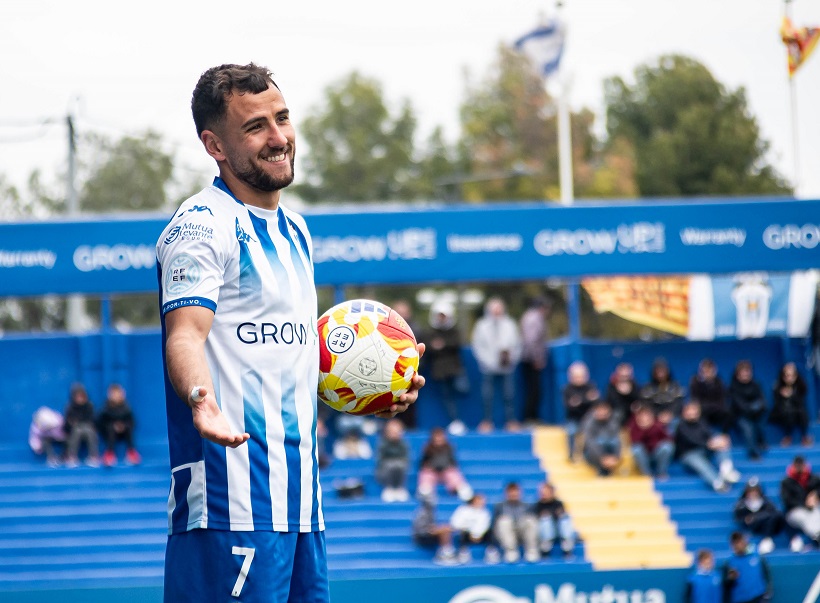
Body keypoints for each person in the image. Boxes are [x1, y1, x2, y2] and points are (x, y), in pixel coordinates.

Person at [156, 63, 424, 603]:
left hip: (303, 507)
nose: (279, 138)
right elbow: (185, 334)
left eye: (282, 119)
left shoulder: (296, 229)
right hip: (230, 506)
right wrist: (200, 400)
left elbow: (289, 357)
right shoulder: (201, 225)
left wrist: (378, 384)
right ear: (215, 145)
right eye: (256, 127)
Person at [470, 297, 522, 432]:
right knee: (487, 396)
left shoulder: (510, 325)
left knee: (509, 395)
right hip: (488, 368)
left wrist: (511, 360)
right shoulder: (481, 326)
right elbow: (477, 346)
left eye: (499, 310)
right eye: (494, 311)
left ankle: (510, 421)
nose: (497, 313)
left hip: (507, 368)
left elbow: (517, 344)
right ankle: (487, 422)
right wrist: (489, 362)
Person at [674, 401, 740, 493]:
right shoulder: (680, 425)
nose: (692, 413)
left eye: (694, 410)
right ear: (684, 412)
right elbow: (691, 440)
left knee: (722, 442)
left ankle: (726, 469)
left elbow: (709, 435)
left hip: (705, 450)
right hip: (688, 454)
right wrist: (709, 444)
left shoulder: (702, 422)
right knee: (701, 464)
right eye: (689, 410)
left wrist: (717, 441)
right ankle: (717, 483)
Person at [424, 299, 468, 436]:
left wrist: (442, 345)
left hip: (454, 370)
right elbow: (429, 347)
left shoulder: (453, 331)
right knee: (446, 397)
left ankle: (459, 420)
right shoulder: (431, 333)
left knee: (461, 391)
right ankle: (455, 421)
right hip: (439, 372)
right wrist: (439, 346)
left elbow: (456, 344)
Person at [417, 427, 473, 501]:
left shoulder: (449, 448)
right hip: (432, 471)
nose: (438, 439)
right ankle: (425, 490)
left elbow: (453, 463)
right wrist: (428, 467)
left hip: (446, 471)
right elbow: (422, 463)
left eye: (440, 437)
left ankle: (460, 488)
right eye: (436, 437)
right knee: (426, 474)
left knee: (452, 473)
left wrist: (448, 467)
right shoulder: (427, 448)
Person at [727, 360, 768, 460]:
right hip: (740, 416)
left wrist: (755, 408)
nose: (746, 375)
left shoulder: (756, 384)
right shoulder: (733, 387)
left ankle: (762, 442)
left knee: (759, 424)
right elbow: (741, 406)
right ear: (738, 374)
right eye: (743, 373)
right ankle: (752, 453)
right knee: (748, 429)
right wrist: (753, 407)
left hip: (756, 415)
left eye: (748, 372)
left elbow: (763, 402)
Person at [519, 296, 551, 424]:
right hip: (531, 360)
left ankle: (531, 417)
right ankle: (530, 418)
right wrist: (537, 358)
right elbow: (531, 341)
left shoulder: (528, 316)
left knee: (533, 389)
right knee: (534, 390)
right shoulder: (534, 318)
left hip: (528, 358)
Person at [391, 299, 422, 430]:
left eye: (403, 313)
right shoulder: (385, 332)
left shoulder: (415, 330)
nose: (401, 316)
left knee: (408, 403)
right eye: (398, 312)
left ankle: (410, 430)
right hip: (389, 375)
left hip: (410, 375)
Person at [780, 455, 820, 552]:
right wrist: (805, 504)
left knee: (816, 513)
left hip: (813, 508)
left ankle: (817, 534)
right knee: (803, 516)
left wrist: (815, 495)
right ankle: (817, 535)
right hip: (794, 511)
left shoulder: (813, 479)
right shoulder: (786, 482)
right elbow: (787, 500)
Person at [562, 361, 600, 461]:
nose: (579, 379)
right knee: (571, 431)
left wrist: (579, 401)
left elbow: (596, 402)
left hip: (588, 418)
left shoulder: (590, 386)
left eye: (581, 376)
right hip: (573, 418)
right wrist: (586, 399)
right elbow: (570, 406)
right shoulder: (567, 389)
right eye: (576, 376)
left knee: (590, 430)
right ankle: (571, 455)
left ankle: (586, 453)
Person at [493, 482, 539, 563]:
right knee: (504, 521)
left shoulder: (527, 506)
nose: (513, 494)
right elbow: (494, 526)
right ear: (506, 493)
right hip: (507, 534)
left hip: (522, 532)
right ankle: (511, 551)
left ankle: (531, 551)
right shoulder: (499, 507)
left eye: (515, 491)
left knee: (530, 520)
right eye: (511, 492)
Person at [97, 383, 142, 467]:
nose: (116, 396)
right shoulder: (105, 408)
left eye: (118, 393)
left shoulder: (126, 407)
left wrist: (123, 426)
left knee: (128, 427)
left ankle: (131, 452)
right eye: (114, 394)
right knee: (111, 428)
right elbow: (101, 423)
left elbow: (132, 421)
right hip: (109, 433)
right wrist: (113, 425)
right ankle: (109, 454)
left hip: (123, 433)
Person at [768, 362, 811, 446]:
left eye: (792, 375)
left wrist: (792, 396)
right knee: (788, 413)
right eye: (787, 375)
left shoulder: (800, 386)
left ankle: (805, 437)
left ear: (796, 376)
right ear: (783, 376)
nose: (789, 378)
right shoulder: (777, 387)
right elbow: (777, 405)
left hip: (797, 414)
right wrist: (783, 396)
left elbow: (801, 403)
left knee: (802, 413)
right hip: (782, 414)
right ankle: (787, 437)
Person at [627, 403, 675, 479]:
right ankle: (646, 475)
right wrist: (643, 430)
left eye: (646, 415)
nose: (644, 418)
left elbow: (668, 439)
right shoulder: (633, 426)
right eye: (642, 415)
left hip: (656, 453)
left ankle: (661, 472)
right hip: (643, 455)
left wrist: (652, 427)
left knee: (667, 447)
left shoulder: (658, 425)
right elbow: (634, 441)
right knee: (636, 449)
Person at [723, 531, 772, 603]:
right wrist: (731, 578)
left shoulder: (756, 556)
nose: (738, 545)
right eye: (735, 543)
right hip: (740, 599)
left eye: (739, 541)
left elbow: (766, 573)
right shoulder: (730, 562)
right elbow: (726, 585)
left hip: (758, 596)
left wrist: (768, 592)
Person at [449, 493, 498, 564]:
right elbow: (455, 524)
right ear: (473, 501)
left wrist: (477, 534)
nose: (481, 503)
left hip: (481, 535)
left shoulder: (485, 512)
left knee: (491, 532)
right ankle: (463, 551)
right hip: (466, 533)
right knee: (461, 533)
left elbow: (485, 525)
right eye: (479, 501)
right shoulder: (462, 510)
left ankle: (491, 551)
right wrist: (470, 531)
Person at [532, 482, 576, 558]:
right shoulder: (538, 505)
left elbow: (561, 515)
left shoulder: (558, 503)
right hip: (543, 532)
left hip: (558, 529)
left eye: (546, 492)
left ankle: (567, 547)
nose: (544, 494)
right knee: (546, 520)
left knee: (565, 519)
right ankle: (545, 547)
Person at [411, 493, 458, 565]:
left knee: (446, 528)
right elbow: (421, 530)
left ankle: (447, 551)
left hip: (428, 534)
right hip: (421, 537)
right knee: (443, 530)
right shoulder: (422, 513)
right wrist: (435, 530)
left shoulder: (431, 512)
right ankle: (443, 555)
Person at [640, 357, 685, 432]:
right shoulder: (648, 387)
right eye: (658, 371)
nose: (661, 374)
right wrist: (658, 415)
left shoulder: (675, 386)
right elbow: (646, 404)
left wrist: (670, 414)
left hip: (672, 416)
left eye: (663, 371)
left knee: (677, 424)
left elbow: (679, 403)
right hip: (654, 417)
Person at [689, 359, 732, 434]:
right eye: (704, 371)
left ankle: (724, 435)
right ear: (700, 372)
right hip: (703, 411)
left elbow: (722, 401)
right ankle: (706, 437)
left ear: (714, 371)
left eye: (710, 371)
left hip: (716, 410)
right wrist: (708, 406)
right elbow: (696, 401)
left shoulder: (719, 382)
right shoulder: (695, 382)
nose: (707, 374)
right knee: (697, 412)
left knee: (728, 411)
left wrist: (711, 406)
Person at [580, 400, 622, 477]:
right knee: (600, 442)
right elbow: (590, 442)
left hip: (610, 454)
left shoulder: (613, 420)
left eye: (604, 409)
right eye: (599, 409)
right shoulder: (588, 422)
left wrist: (616, 457)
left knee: (612, 441)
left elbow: (617, 440)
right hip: (591, 454)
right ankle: (603, 470)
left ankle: (607, 469)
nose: (602, 412)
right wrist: (602, 458)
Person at [63, 383, 100, 468]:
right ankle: (72, 456)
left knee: (89, 430)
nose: (80, 399)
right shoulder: (69, 408)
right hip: (74, 431)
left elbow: (93, 421)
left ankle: (93, 456)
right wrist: (71, 424)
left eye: (82, 396)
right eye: (78, 396)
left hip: (88, 429)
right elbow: (66, 426)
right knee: (77, 430)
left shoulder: (90, 406)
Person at [375, 419, 411, 502]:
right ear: (387, 432)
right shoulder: (382, 444)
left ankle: (400, 488)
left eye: (397, 431)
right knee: (391, 465)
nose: (394, 434)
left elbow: (406, 459)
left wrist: (397, 463)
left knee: (401, 465)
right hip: (384, 470)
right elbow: (380, 460)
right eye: (392, 432)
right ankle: (389, 488)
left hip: (400, 468)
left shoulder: (404, 444)